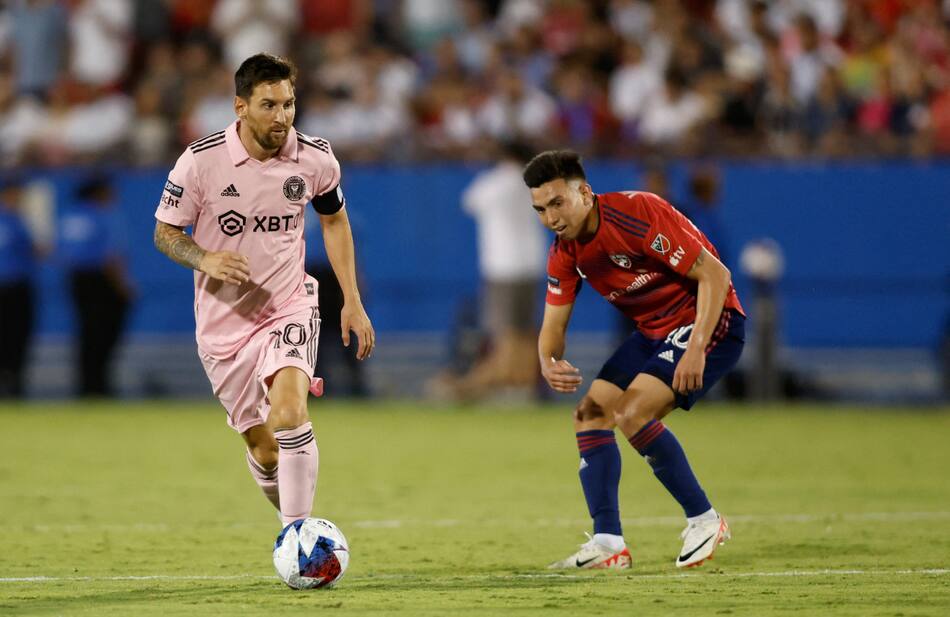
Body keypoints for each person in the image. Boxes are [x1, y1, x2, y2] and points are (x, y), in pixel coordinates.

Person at [153, 53, 374, 527]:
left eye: (289, 104)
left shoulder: (314, 157)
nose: (282, 117)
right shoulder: (200, 161)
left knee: (290, 411)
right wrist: (204, 257)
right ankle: (294, 525)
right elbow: (165, 233)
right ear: (240, 106)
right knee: (264, 447)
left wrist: (352, 299)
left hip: (288, 306)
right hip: (221, 325)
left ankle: (299, 536)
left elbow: (334, 221)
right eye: (269, 105)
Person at [524, 150, 745, 569]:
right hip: (654, 331)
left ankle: (705, 519)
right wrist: (547, 360)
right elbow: (552, 325)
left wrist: (697, 346)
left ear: (585, 193)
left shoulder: (637, 212)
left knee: (633, 413)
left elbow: (716, 276)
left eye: (557, 203)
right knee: (590, 414)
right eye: (540, 209)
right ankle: (609, 542)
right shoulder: (564, 252)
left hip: (708, 320)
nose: (551, 217)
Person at [453, 140, 546, 399]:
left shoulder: (494, 182)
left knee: (505, 333)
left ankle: (505, 386)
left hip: (503, 265)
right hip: (531, 264)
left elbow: (469, 202)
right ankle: (524, 386)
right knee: (526, 332)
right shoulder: (537, 184)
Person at [59, 175, 134, 397]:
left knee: (86, 334)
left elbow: (60, 252)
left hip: (76, 280)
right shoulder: (103, 215)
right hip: (102, 282)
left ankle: (86, 385)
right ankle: (100, 385)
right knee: (104, 334)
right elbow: (111, 256)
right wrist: (123, 286)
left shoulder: (69, 217)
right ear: (99, 193)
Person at [0, 177, 36, 398]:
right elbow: (34, 249)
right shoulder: (15, 220)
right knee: (15, 336)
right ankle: (11, 380)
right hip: (13, 287)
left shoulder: (17, 219)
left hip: (14, 285)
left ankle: (10, 380)